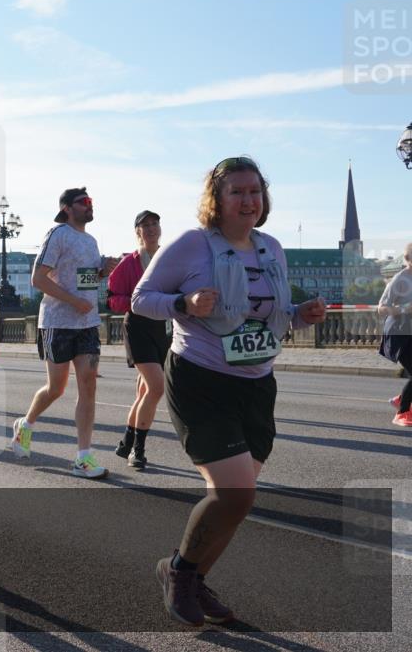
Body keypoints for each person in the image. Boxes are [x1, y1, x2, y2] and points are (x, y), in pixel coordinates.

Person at [131, 156, 326, 626]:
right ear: (216, 199)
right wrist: (185, 302)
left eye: (254, 191)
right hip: (201, 380)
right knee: (235, 494)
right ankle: (179, 572)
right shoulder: (191, 244)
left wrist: (301, 314)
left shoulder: (271, 248)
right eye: (236, 191)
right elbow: (141, 300)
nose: (248, 200)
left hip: (256, 386)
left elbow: (270, 314)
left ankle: (193, 579)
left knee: (236, 501)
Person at [8, 187, 117, 479]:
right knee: (56, 388)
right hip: (58, 322)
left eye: (91, 202)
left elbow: (85, 279)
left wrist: (103, 272)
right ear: (67, 208)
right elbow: (38, 279)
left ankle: (83, 458)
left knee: (88, 385)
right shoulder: (58, 234)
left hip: (88, 323)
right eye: (83, 202)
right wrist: (73, 301)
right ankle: (25, 425)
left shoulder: (91, 241)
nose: (89, 206)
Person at [107, 210, 170, 470]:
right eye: (146, 225)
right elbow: (112, 299)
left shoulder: (169, 258)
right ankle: (138, 450)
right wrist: (137, 300)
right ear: (138, 232)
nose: (152, 228)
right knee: (156, 387)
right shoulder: (129, 263)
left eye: (155, 223)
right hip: (137, 327)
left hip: (164, 328)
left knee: (145, 391)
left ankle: (126, 442)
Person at [378, 242, 412, 427]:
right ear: (408, 259)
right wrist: (405, 308)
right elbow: (381, 309)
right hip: (398, 333)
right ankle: (402, 412)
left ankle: (401, 399)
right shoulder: (400, 279)